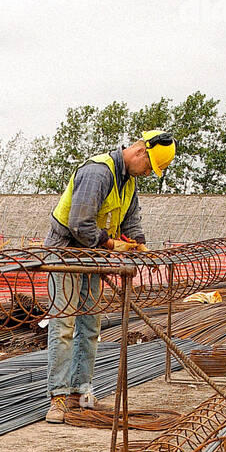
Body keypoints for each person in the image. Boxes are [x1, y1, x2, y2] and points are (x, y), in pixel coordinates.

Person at [42, 129, 176, 423]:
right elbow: (80, 223)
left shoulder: (129, 182)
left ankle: (80, 392)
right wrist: (112, 244)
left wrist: (140, 245)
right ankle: (59, 397)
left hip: (92, 255)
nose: (148, 173)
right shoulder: (98, 172)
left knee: (91, 323)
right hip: (66, 251)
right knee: (64, 324)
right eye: (149, 167)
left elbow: (131, 218)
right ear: (140, 152)